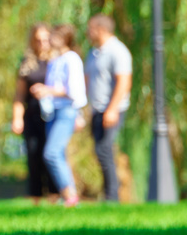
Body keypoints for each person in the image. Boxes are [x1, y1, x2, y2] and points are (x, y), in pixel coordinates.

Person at [31, 24, 87, 207]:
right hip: (52, 111)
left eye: (53, 36)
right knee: (59, 153)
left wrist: (47, 90)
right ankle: (69, 196)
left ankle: (70, 195)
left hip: (66, 110)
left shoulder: (71, 59)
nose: (49, 40)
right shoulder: (55, 60)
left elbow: (73, 91)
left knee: (51, 153)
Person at [84, 14, 133, 202]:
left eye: (91, 29)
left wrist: (112, 109)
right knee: (100, 151)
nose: (88, 33)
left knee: (104, 149)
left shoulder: (117, 51)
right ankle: (108, 194)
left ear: (101, 29)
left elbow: (124, 82)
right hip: (97, 109)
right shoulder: (94, 52)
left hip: (112, 109)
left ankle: (112, 196)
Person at [12, 23, 57, 205]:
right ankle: (36, 197)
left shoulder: (57, 61)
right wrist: (16, 117)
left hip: (53, 116)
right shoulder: (27, 63)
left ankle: (55, 196)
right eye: (38, 40)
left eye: (45, 40)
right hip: (31, 115)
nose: (42, 44)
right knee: (33, 154)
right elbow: (19, 94)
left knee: (51, 154)